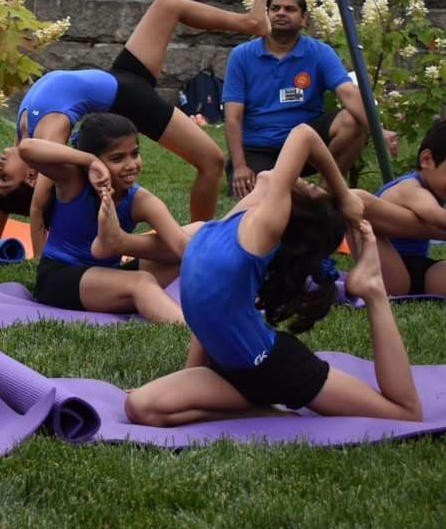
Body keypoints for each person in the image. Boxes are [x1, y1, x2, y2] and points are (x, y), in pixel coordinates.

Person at [124, 124, 423, 426]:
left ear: (287, 212)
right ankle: (257, 410)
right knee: (140, 407)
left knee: (404, 413)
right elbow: (209, 310)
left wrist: (343, 195)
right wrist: (188, 375)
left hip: (273, 367)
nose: (299, 180)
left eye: (306, 187)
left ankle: (372, 289)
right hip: (230, 370)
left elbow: (304, 134)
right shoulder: (238, 219)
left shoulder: (263, 228)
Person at [0, 0, 273, 254]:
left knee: (167, 4)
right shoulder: (48, 137)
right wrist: (42, 264)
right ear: (31, 176)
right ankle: (201, 244)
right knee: (211, 162)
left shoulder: (23, 137)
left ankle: (251, 23)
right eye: (4, 178)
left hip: (120, 76)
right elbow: (38, 208)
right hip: (127, 97)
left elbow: (0, 201)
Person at [223, 0, 397, 198]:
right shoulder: (242, 56)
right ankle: (293, 186)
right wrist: (240, 166)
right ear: (266, 14)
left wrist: (379, 131)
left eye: (290, 9)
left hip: (305, 147)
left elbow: (348, 93)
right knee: (263, 198)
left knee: (351, 120)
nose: (280, 13)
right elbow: (233, 117)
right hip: (258, 148)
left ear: (304, 19)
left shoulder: (320, 52)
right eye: (275, 8)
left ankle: (325, 192)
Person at [19, 114, 187, 323]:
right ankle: (192, 332)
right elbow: (27, 148)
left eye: (134, 154)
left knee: (197, 233)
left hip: (108, 276)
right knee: (142, 282)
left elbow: (182, 246)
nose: (131, 165)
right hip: (58, 278)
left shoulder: (139, 199)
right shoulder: (74, 183)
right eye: (117, 158)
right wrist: (88, 161)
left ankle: (118, 246)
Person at [371, 119, 446, 298]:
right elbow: (440, 218)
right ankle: (371, 283)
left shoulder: (433, 190)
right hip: (384, 267)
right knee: (399, 288)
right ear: (427, 160)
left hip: (417, 266)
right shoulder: (409, 188)